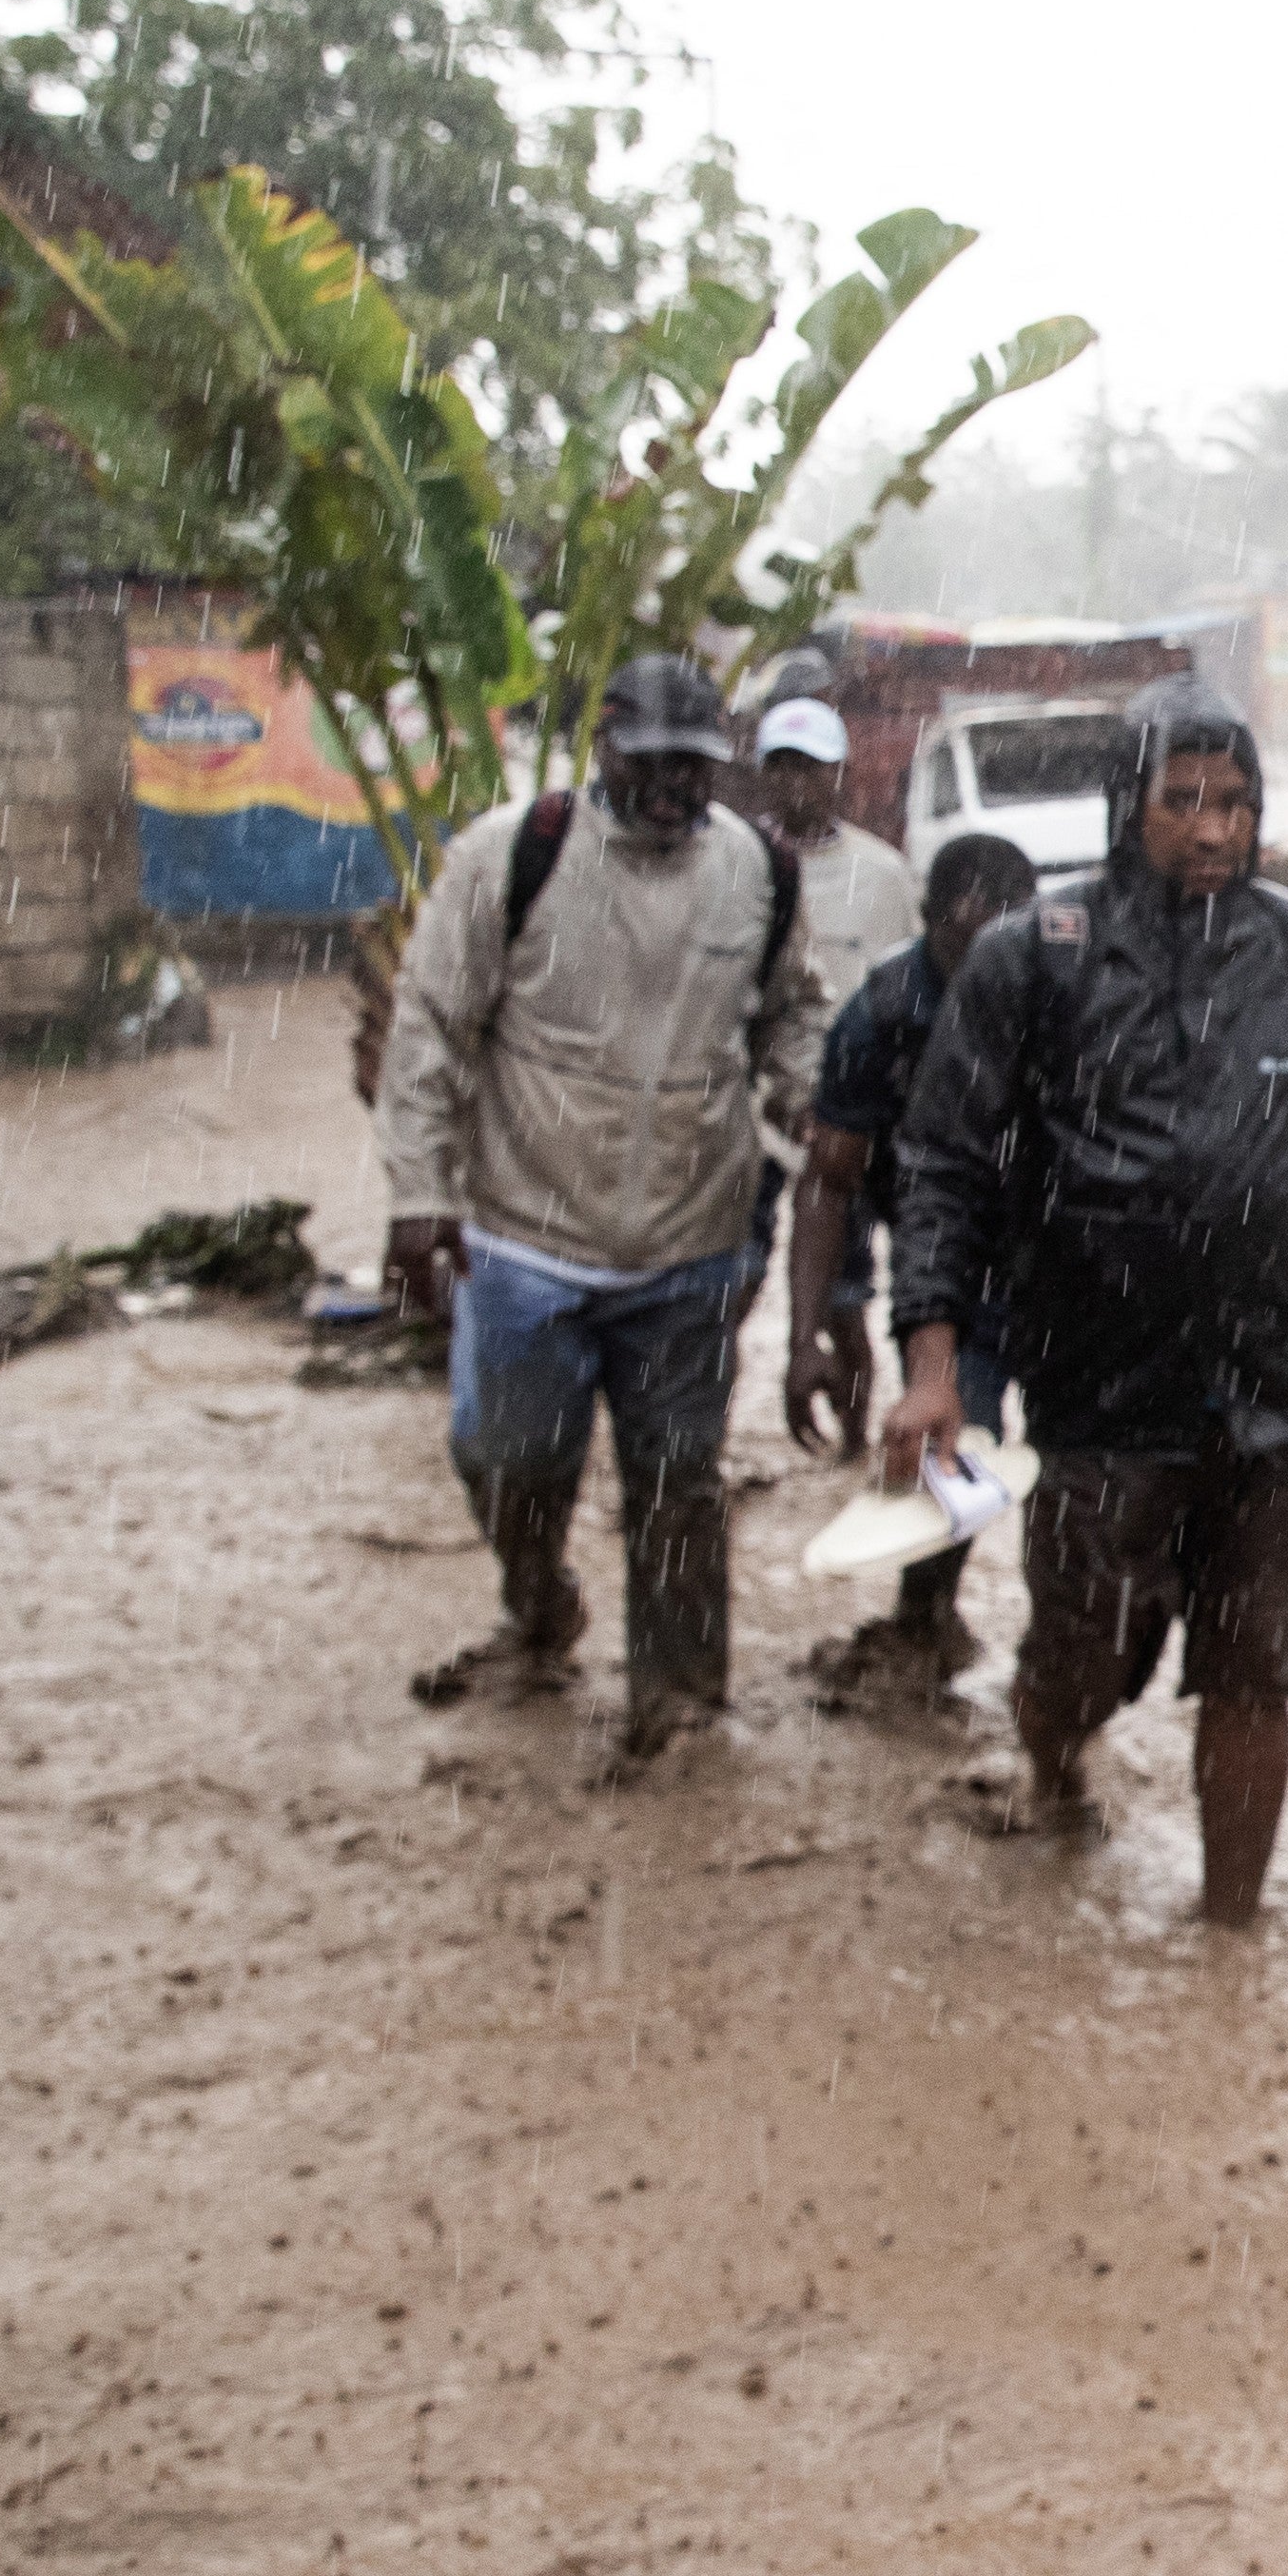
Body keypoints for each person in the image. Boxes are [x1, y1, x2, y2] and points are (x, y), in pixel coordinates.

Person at [882, 677, 1288, 1926]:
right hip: (1098, 1387)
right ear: (1129, 806)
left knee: (1253, 1673)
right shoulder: (1035, 959)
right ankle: (1055, 1761)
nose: (1214, 829)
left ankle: (1229, 1933)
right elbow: (945, 1167)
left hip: (1271, 1389)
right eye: (1182, 801)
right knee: (1082, 1658)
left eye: (1234, 802)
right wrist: (932, 1362)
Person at [380, 654, 828, 1778]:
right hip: (528, 1240)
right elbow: (430, 1031)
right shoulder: (511, 857)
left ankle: (675, 1703)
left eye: (699, 768)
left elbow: (789, 1020)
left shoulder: (758, 873)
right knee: (508, 1461)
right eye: (657, 764)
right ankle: (539, 1603)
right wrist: (420, 1201)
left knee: (679, 1485)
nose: (680, 788)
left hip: (691, 1244)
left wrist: (818, 1106)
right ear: (605, 748)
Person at [781, 832, 1043, 1698]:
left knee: (1081, 1480)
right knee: (946, 1447)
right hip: (947, 1271)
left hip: (1066, 1271)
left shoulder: (1069, 992)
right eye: (965, 945)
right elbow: (829, 1182)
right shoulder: (881, 1013)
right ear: (927, 920)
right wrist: (807, 1329)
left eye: (1003, 944)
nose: (984, 974)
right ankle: (922, 1622)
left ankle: (1059, 1667)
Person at [735, 695, 924, 1329]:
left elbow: (906, 989)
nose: (797, 783)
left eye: (810, 767)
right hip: (752, 1108)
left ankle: (850, 1426)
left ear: (837, 773)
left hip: (850, 1114)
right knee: (736, 1279)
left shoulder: (882, 874)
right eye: (782, 766)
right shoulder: (737, 867)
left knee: (846, 1303)